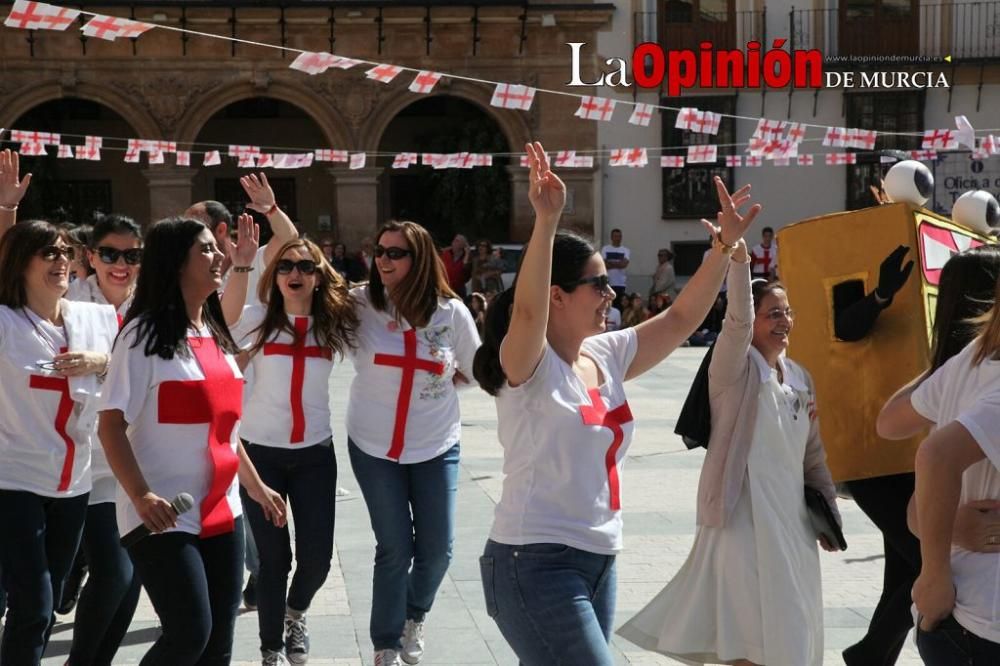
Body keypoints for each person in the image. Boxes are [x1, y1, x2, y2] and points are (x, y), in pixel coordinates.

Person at [472, 144, 760, 666]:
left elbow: (678, 321)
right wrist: (547, 219)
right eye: (597, 283)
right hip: (532, 561)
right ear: (559, 295)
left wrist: (721, 250)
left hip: (600, 558)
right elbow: (529, 305)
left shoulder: (605, 353)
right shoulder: (526, 364)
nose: (610, 293)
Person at [619, 271, 840, 666]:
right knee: (748, 641)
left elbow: (813, 457)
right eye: (773, 314)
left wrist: (830, 517)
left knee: (793, 634)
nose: (784, 321)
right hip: (742, 528)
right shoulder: (733, 373)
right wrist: (737, 259)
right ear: (751, 318)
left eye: (787, 312)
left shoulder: (801, 379)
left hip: (793, 531)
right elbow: (735, 322)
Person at [97, 215, 286, 666]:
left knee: (218, 645)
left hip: (224, 509)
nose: (218, 256)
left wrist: (256, 487)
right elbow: (110, 426)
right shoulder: (141, 337)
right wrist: (141, 495)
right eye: (205, 249)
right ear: (175, 263)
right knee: (189, 634)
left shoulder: (215, 335)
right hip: (163, 515)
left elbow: (224, 431)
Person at [838, 245, 1000, 666]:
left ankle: (871, 653)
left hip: (959, 611)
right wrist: (934, 571)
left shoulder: (966, 362)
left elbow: (892, 424)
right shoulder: (971, 364)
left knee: (901, 579)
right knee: (905, 576)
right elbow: (928, 456)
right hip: (978, 617)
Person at [347, 221, 481, 666]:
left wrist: (443, 383)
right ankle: (385, 643)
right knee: (394, 547)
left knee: (437, 551)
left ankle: (413, 615)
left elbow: (477, 368)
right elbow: (302, 283)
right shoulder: (359, 303)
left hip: (435, 444)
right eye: (380, 251)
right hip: (373, 446)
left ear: (419, 259)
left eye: (395, 253)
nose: (383, 260)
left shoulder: (451, 313)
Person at [222, 235, 359, 666]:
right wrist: (243, 266)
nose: (294, 274)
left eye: (304, 267)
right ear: (273, 276)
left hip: (315, 455)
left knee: (316, 561)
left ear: (319, 277)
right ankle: (271, 649)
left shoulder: (334, 321)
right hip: (261, 457)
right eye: (284, 267)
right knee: (273, 560)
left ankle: (295, 613)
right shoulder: (257, 320)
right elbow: (221, 333)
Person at [0, 220, 118, 666]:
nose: (62, 260)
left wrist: (100, 359)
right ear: (20, 262)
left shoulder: (91, 319)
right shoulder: (5, 322)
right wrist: (6, 208)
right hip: (12, 479)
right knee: (32, 604)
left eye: (65, 251)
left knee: (43, 609)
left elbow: (127, 370)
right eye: (48, 253)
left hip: (74, 482)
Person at [65, 214, 144, 666]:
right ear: (91, 256)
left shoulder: (151, 307)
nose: (121, 265)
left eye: (131, 256)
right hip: (87, 460)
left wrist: (103, 360)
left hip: (138, 458)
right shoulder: (68, 301)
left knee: (131, 579)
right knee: (113, 573)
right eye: (110, 254)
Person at [601, 228, 631, 305]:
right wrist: (618, 263)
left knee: (619, 305)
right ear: (611, 237)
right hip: (608, 282)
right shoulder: (605, 249)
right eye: (615, 236)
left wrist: (610, 262)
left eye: (619, 236)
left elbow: (624, 265)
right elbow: (604, 265)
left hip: (620, 283)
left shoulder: (625, 250)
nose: (617, 238)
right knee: (608, 304)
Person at [439, 234, 472, 299]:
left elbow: (466, 268)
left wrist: (467, 253)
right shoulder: (445, 253)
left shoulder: (467, 257)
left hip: (458, 289)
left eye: (457, 241)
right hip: (444, 287)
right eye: (454, 240)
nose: (454, 242)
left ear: (463, 245)